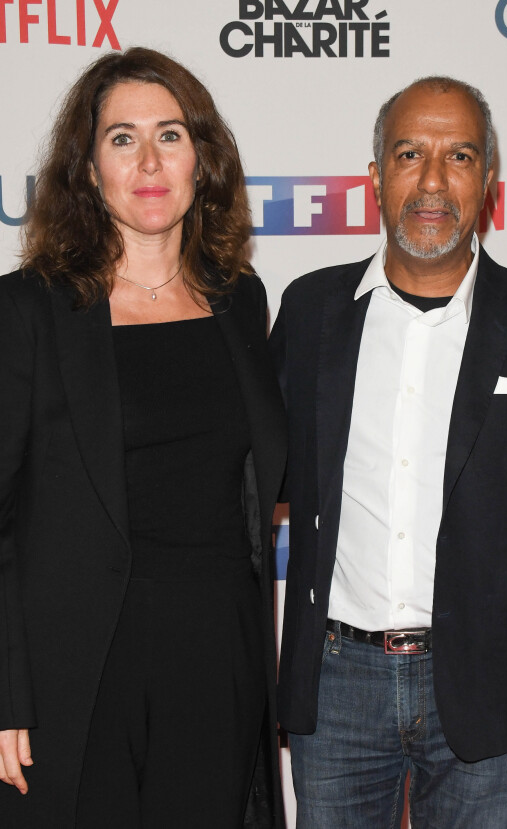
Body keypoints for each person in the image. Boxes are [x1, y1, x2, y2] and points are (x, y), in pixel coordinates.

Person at [269, 76, 507, 827]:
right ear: (375, 175)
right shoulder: (310, 312)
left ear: (489, 180)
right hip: (337, 685)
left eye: (460, 156)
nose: (433, 181)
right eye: (410, 154)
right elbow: (248, 479)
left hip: (486, 688)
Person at [0, 47, 286, 829]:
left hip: (217, 658)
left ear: (204, 159)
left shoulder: (241, 301)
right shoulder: (28, 312)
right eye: (122, 138)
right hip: (80, 669)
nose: (149, 161)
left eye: (171, 135)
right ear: (89, 169)